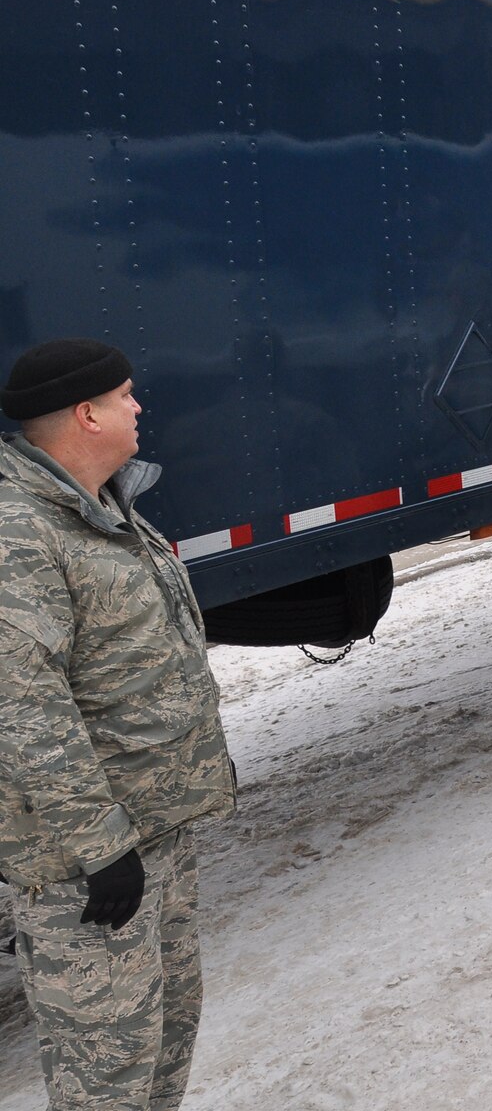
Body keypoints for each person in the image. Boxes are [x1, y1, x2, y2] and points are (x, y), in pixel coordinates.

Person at [0, 338, 238, 1110]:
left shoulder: (104, 506)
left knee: (166, 1038)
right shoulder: (19, 533)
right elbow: (24, 707)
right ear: (85, 414)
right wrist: (101, 847)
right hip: (86, 865)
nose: (139, 407)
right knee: (106, 1075)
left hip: (155, 830)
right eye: (126, 395)